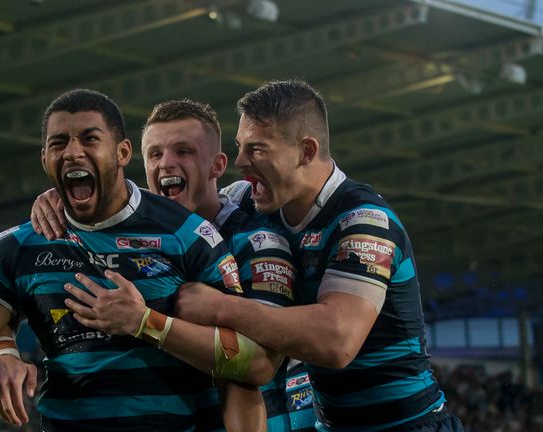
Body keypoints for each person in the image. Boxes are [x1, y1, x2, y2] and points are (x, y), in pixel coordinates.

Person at [0, 89, 279, 432]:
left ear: (121, 153)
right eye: (59, 143)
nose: (73, 151)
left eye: (89, 139)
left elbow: (250, 365)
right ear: (44, 158)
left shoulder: (189, 235)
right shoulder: (16, 248)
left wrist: (145, 323)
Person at [2, 99, 316, 431]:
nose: (166, 164)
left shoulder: (255, 243)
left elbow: (258, 363)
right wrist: (1, 349)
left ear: (217, 165)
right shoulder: (135, 239)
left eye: (184, 151)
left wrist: (161, 319)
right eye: (154, 154)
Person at [175, 79, 464, 431]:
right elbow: (190, 213)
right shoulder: (247, 200)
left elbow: (336, 341)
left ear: (306, 151)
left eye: (257, 149)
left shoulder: (363, 220)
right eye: (239, 147)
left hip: (406, 424)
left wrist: (222, 308)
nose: (240, 161)